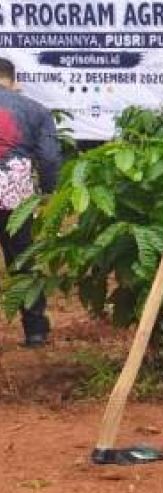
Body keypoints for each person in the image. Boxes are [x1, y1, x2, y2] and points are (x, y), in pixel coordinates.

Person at [0, 58, 61, 347]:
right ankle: (35, 330)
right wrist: (49, 195)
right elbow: (49, 159)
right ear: (13, 80)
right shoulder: (36, 111)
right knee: (23, 260)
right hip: (15, 197)